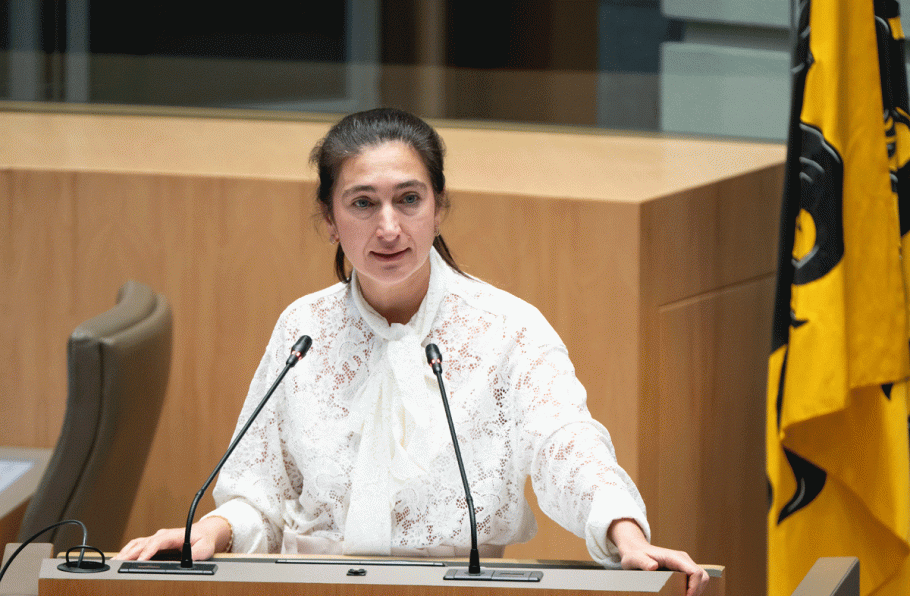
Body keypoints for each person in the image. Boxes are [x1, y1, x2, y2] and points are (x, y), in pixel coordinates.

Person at [116, 108, 708, 596]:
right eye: (362, 203)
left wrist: (625, 533)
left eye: (408, 199)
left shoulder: (506, 328)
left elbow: (565, 444)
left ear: (439, 208)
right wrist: (211, 531)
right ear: (329, 218)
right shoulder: (304, 329)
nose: (389, 228)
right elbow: (263, 493)